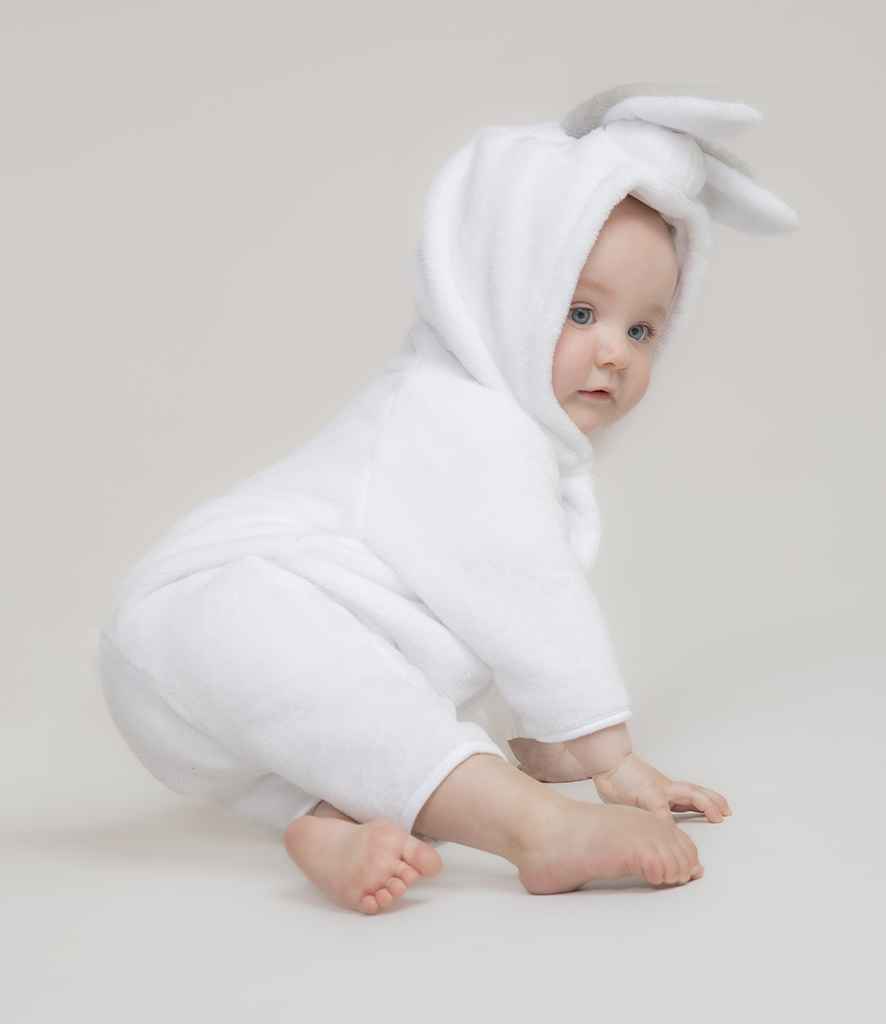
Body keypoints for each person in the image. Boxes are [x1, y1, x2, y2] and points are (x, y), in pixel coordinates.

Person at [96, 83, 798, 914]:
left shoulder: (519, 444)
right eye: (580, 313)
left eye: (642, 330)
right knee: (350, 685)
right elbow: (526, 598)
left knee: (374, 717)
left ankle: (331, 824)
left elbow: (475, 617)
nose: (615, 353)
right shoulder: (456, 416)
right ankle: (537, 831)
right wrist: (609, 758)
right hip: (204, 613)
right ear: (498, 288)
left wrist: (546, 741)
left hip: (252, 690)